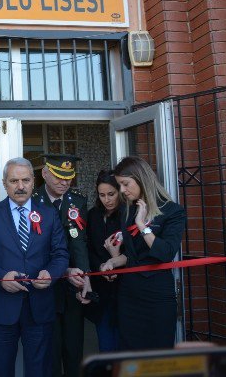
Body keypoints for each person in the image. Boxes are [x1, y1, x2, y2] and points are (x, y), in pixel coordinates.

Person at [0, 157, 69, 377]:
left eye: (25, 180)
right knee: (0, 370)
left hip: (40, 308)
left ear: (33, 181)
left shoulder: (49, 214)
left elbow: (61, 254)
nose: (20, 186)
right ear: (5, 184)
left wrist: (52, 274)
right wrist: (0, 277)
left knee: (39, 370)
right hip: (2, 309)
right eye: (14, 181)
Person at [101, 156, 186, 350]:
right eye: (120, 185)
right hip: (129, 294)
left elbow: (165, 253)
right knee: (129, 352)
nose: (122, 190)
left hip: (157, 295)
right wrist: (113, 263)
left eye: (125, 184)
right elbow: (132, 256)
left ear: (141, 179)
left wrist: (141, 225)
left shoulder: (173, 211)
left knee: (158, 353)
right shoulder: (127, 211)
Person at [33, 153, 91, 377]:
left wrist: (85, 276)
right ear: (45, 173)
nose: (64, 183)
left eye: (68, 177)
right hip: (44, 285)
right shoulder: (33, 200)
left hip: (72, 286)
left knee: (74, 349)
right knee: (49, 351)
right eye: (59, 177)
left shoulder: (77, 201)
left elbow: (79, 241)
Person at [85, 170, 122, 352]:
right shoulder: (93, 215)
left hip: (125, 290)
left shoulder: (128, 215)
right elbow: (89, 248)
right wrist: (100, 266)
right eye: (102, 195)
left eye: (111, 194)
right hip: (101, 291)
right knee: (106, 345)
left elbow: (136, 252)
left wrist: (115, 265)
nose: (107, 199)